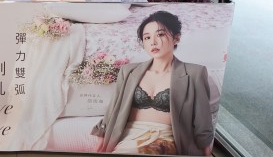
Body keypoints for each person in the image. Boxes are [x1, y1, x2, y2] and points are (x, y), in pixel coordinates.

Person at [91, 11, 214, 155]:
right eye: (147, 37)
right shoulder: (128, 71)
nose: (153, 42)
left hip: (166, 139)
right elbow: (113, 110)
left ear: (176, 38)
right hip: (129, 137)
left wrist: (206, 152)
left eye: (160, 35)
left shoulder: (194, 73)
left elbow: (202, 120)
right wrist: (100, 141)